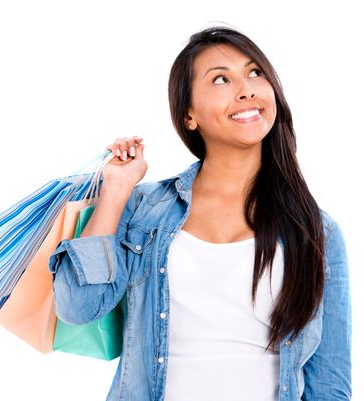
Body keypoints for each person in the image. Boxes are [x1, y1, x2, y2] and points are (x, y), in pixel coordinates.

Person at [48, 25, 352, 401]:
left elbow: (330, 384)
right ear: (189, 114)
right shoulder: (145, 212)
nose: (247, 89)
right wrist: (115, 191)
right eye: (221, 79)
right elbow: (78, 307)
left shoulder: (316, 230)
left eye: (255, 73)